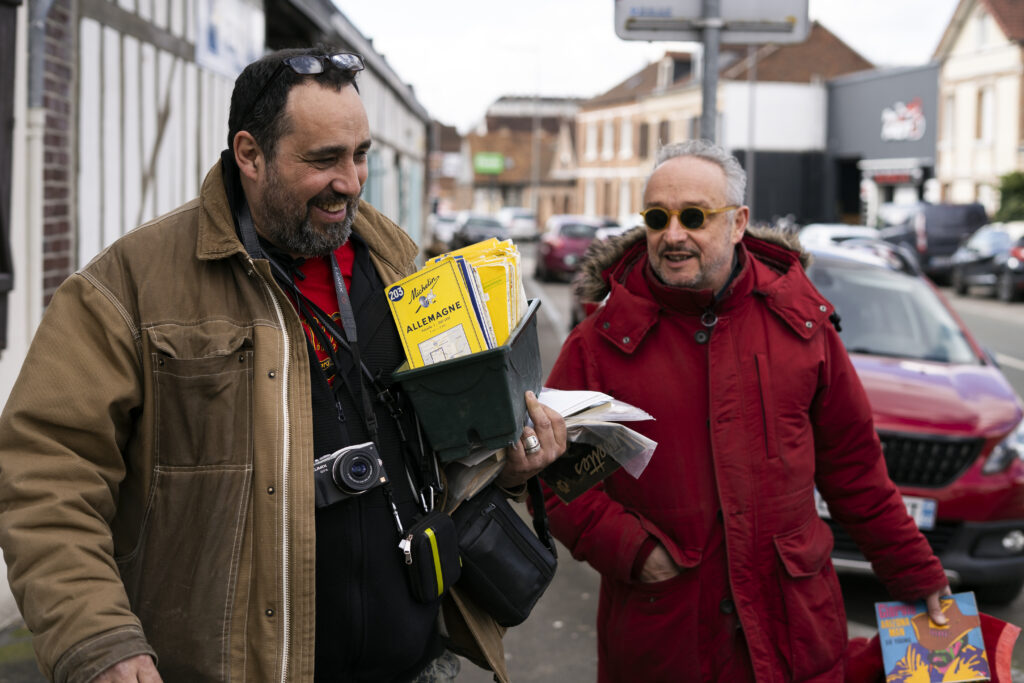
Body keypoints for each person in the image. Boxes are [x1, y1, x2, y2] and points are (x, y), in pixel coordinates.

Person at [0, 46, 565, 683]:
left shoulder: (399, 263)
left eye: (360, 156)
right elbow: (46, 477)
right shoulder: (129, 286)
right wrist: (97, 640)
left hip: (418, 665)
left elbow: (441, 448)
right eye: (323, 160)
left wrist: (509, 465)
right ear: (249, 154)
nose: (350, 182)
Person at [543, 139, 950, 682]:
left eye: (693, 216)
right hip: (664, 639)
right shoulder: (599, 345)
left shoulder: (803, 327)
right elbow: (559, 483)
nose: (673, 234)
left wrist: (917, 575)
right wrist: (636, 554)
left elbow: (856, 474)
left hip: (794, 633)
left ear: (738, 223)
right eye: (657, 217)